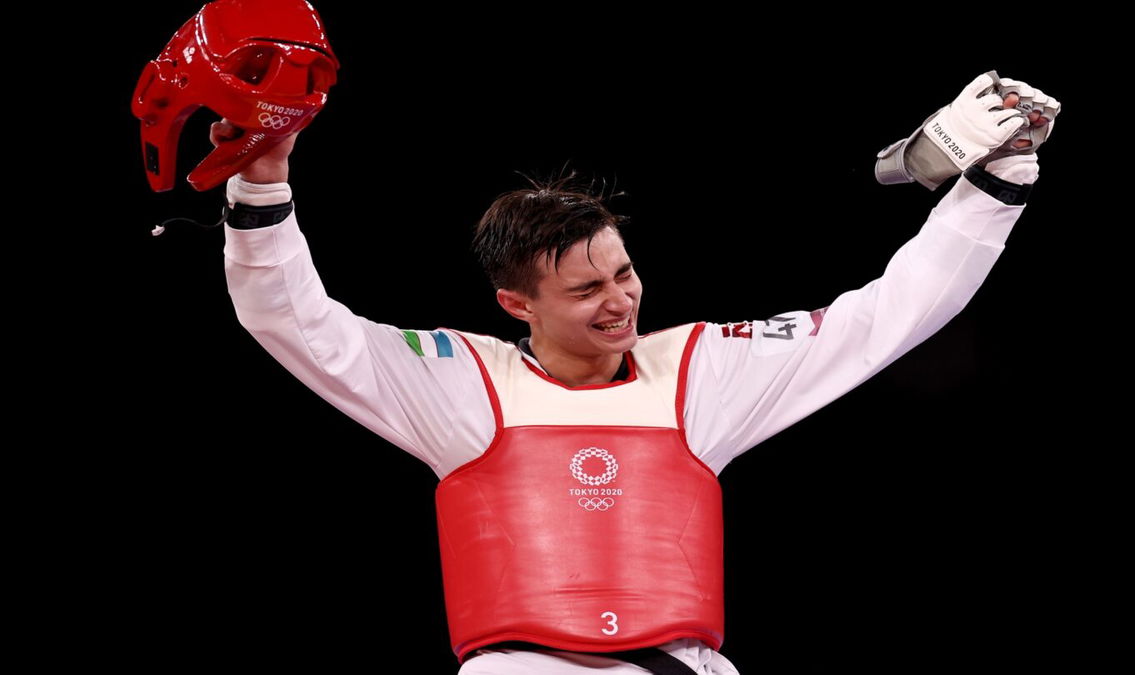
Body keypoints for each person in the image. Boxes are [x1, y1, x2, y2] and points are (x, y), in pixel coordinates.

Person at [213, 74, 1056, 674]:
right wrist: (263, 180)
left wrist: (1002, 176)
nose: (620, 301)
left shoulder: (700, 368)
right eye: (586, 290)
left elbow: (888, 316)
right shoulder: (458, 383)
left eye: (623, 272)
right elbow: (294, 319)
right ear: (518, 304)